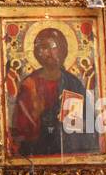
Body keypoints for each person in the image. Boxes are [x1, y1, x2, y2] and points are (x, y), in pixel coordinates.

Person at [10, 27, 95, 157]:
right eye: (42, 48)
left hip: (69, 151)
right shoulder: (29, 84)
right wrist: (37, 115)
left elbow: (86, 122)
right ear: (36, 53)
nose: (47, 53)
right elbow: (21, 128)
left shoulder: (73, 83)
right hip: (38, 151)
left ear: (63, 50)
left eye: (53, 47)